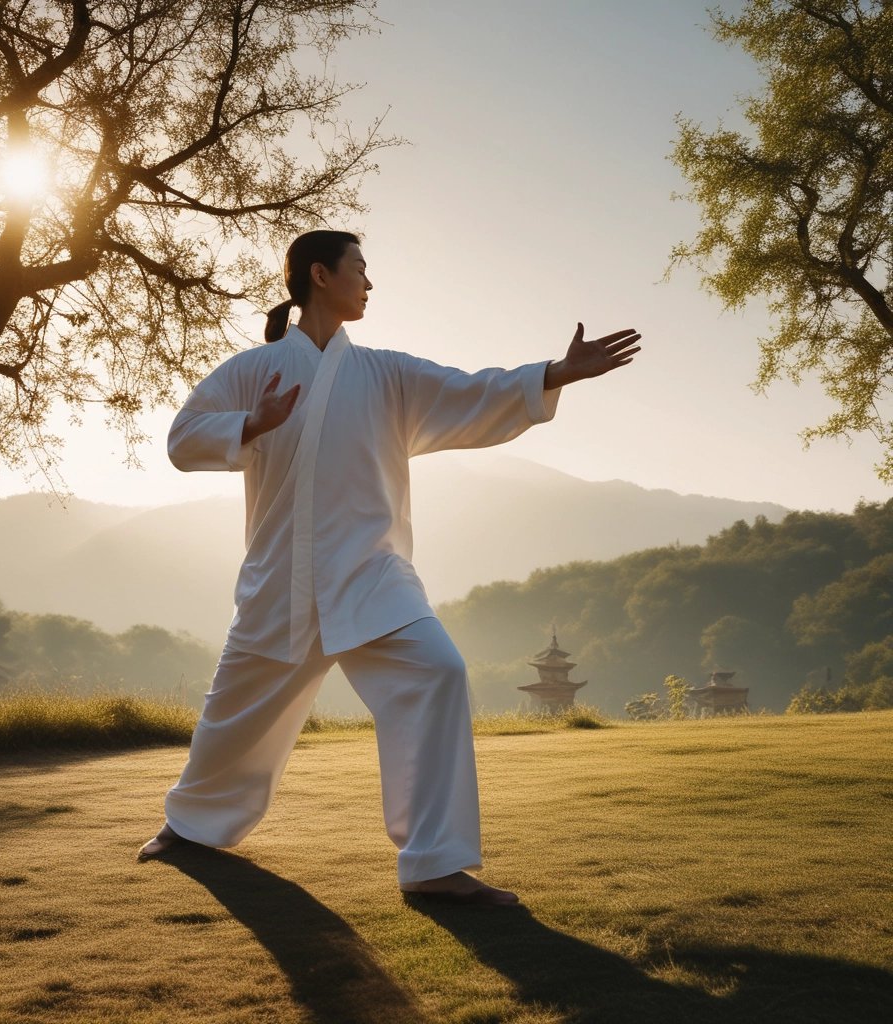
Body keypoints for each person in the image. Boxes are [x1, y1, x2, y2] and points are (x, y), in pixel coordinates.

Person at [138, 230, 641, 905]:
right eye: (360, 269)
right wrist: (250, 424)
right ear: (321, 276)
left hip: (371, 575)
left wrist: (553, 373)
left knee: (438, 671)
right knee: (233, 715)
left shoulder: (386, 374)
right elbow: (181, 440)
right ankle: (191, 826)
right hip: (281, 580)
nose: (369, 283)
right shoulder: (251, 372)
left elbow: (469, 393)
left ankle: (433, 865)